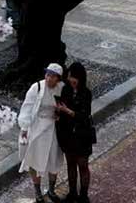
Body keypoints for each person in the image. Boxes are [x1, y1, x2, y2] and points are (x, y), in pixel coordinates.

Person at [18, 64, 65, 202]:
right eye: (47, 75)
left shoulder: (62, 88)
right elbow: (27, 107)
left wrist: (60, 113)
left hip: (54, 128)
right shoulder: (37, 87)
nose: (49, 78)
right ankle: (37, 191)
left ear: (58, 78)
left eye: (52, 76)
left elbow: (66, 105)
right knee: (34, 159)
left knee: (54, 159)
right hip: (37, 127)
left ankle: (51, 189)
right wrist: (25, 127)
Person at [55, 62, 94, 203]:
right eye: (69, 76)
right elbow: (62, 110)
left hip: (82, 135)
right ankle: (72, 194)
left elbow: (84, 115)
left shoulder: (86, 93)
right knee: (70, 164)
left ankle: (83, 196)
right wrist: (59, 112)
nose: (71, 80)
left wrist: (68, 111)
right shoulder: (66, 90)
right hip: (68, 134)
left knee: (82, 165)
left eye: (73, 77)